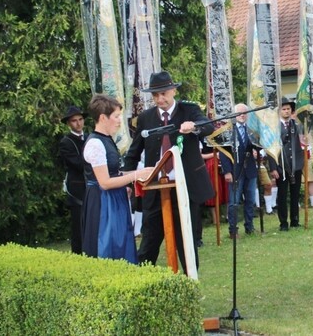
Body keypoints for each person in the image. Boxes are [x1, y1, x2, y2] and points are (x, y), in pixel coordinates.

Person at [123, 71, 215, 272]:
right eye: (155, 95)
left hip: (185, 187)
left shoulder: (189, 110)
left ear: (173, 90)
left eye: (163, 93)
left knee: (186, 242)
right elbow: (134, 151)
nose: (160, 99)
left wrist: (194, 127)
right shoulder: (146, 118)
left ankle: (191, 284)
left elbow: (208, 126)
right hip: (156, 187)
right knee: (149, 241)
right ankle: (142, 284)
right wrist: (126, 180)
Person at [81, 95, 154, 263]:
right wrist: (135, 175)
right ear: (102, 118)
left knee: (121, 245)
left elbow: (115, 174)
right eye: (116, 116)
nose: (119, 121)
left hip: (114, 200)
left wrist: (142, 172)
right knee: (107, 247)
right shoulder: (95, 144)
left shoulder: (106, 140)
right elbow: (105, 183)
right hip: (103, 203)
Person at [219, 103, 259, 237]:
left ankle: (249, 227)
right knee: (234, 202)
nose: (242, 115)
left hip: (250, 169)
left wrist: (257, 149)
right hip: (235, 170)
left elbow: (259, 145)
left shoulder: (252, 129)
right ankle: (233, 230)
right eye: (239, 113)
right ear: (234, 115)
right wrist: (227, 171)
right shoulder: (229, 130)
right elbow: (223, 152)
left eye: (244, 113)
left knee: (250, 200)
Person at [59, 105, 88, 255]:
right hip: (77, 189)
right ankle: (78, 255)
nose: (78, 123)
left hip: (91, 186)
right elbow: (76, 164)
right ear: (69, 123)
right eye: (74, 121)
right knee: (78, 225)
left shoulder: (90, 137)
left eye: (80, 119)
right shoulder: (66, 142)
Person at [272, 98, 304, 231]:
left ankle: (295, 220)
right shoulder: (273, 127)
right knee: (282, 195)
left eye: (288, 109)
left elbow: (303, 140)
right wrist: (273, 167)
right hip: (282, 166)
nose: (286, 111)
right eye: (284, 109)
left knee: (295, 194)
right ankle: (283, 222)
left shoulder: (296, 125)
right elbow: (271, 148)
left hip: (295, 165)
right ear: (279, 111)